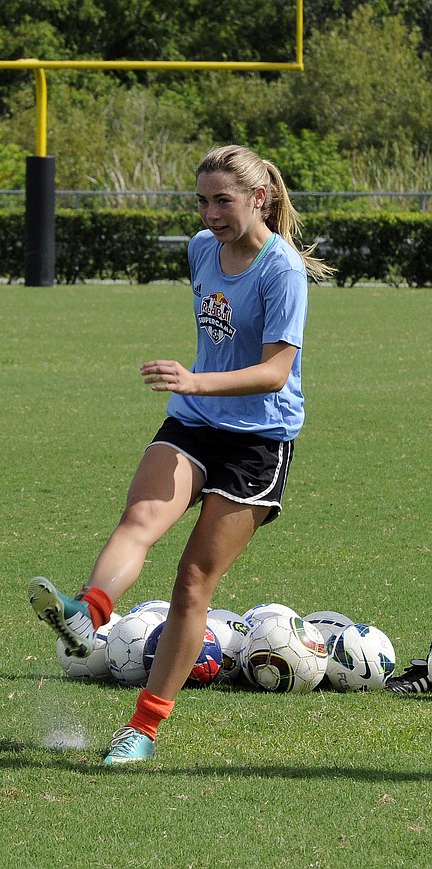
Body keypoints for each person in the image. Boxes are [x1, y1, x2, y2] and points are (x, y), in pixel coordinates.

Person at [29, 144, 335, 766]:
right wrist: (196, 390)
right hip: (195, 422)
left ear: (260, 198)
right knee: (139, 520)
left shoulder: (282, 271)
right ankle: (87, 614)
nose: (210, 213)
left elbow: (276, 372)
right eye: (201, 200)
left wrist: (194, 379)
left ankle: (142, 728)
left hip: (258, 440)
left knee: (193, 581)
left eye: (223, 200)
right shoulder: (201, 249)